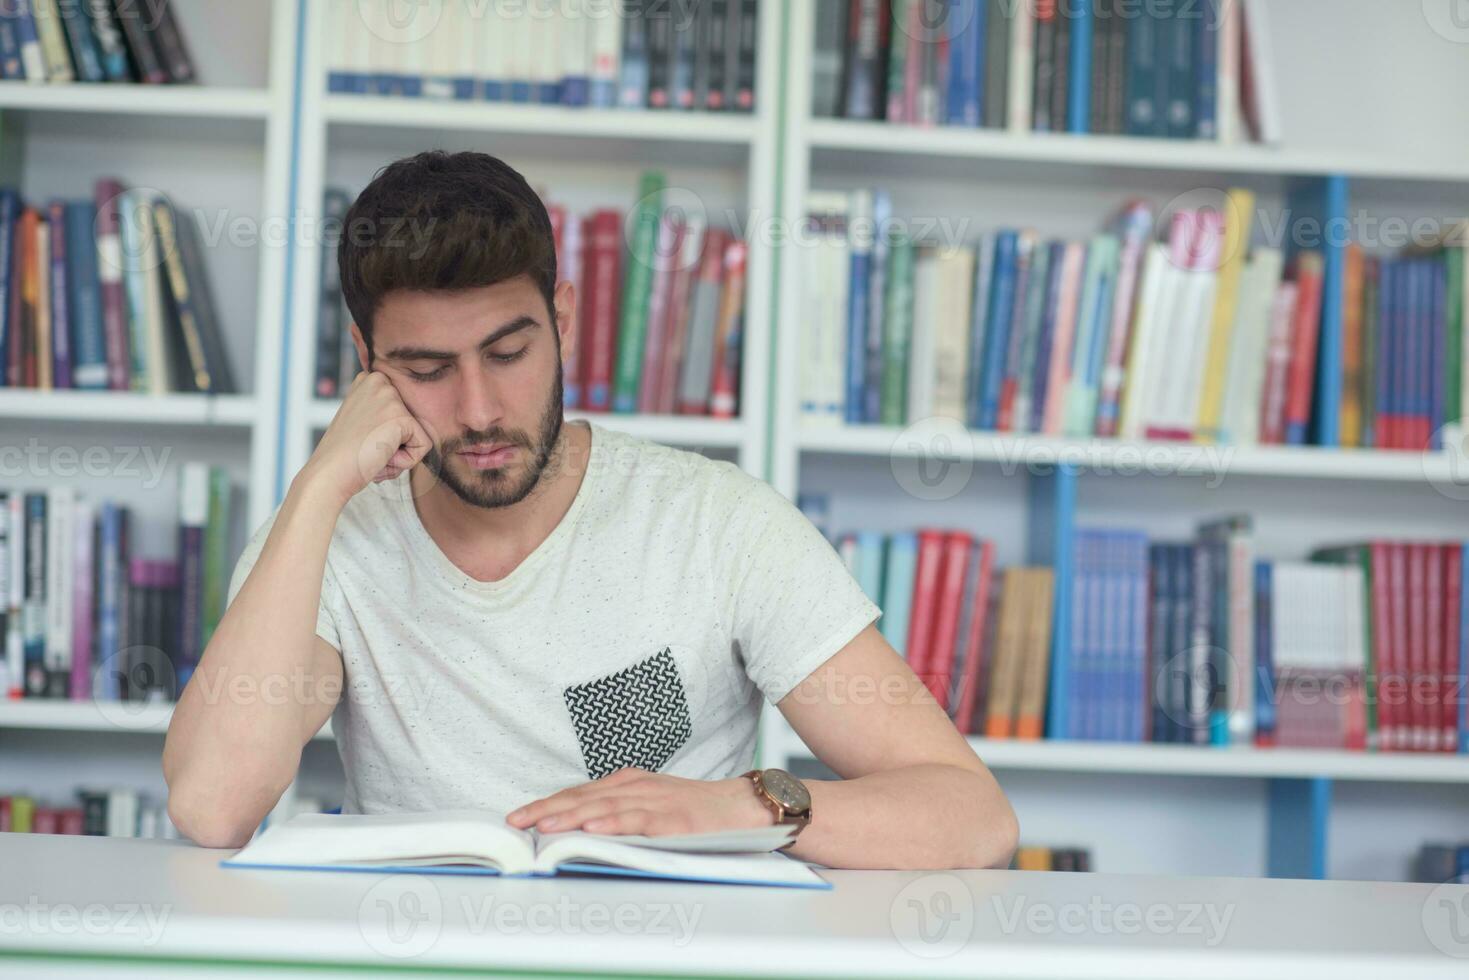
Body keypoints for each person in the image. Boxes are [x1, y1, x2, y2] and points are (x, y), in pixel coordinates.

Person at [163, 150, 1018, 869]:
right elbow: (212, 808)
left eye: (508, 352)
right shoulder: (328, 537)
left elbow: (972, 817)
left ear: (562, 321)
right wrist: (316, 486)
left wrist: (745, 810)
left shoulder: (720, 525)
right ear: (366, 364)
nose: (480, 410)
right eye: (424, 371)